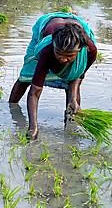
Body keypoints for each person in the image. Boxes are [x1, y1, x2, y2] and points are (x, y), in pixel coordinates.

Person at [8, 12, 97, 140]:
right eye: (59, 54)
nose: (63, 59)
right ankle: (12, 106)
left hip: (77, 29)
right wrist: (33, 127)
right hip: (48, 27)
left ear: (80, 50)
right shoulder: (46, 50)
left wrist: (73, 98)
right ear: (54, 47)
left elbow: (79, 75)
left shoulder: (90, 50)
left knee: (71, 80)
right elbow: (35, 92)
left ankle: (70, 123)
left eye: (69, 56)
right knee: (26, 76)